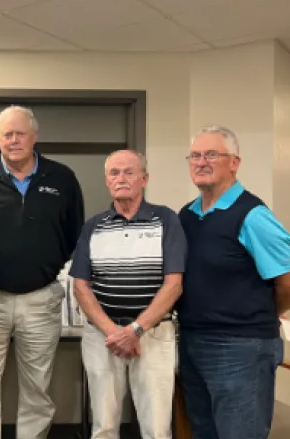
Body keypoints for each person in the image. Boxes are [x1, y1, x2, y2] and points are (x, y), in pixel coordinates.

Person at [0, 105, 84, 439]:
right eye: (7, 135)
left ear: (34, 137)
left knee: (37, 390)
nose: (13, 140)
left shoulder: (61, 179)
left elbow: (73, 235)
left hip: (40, 299)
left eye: (20, 134)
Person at [178, 125, 290, 439]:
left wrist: (265, 310)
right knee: (203, 432)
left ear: (234, 162)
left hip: (241, 349)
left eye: (211, 155)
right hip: (193, 343)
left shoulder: (253, 216)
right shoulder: (187, 216)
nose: (201, 162)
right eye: (195, 155)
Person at [69, 150, 187, 439]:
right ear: (107, 181)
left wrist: (135, 330)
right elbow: (81, 286)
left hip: (153, 336)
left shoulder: (166, 220)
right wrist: (115, 332)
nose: (121, 179)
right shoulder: (93, 226)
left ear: (144, 179)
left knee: (157, 429)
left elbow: (174, 285)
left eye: (129, 172)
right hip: (103, 337)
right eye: (114, 173)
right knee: (104, 427)